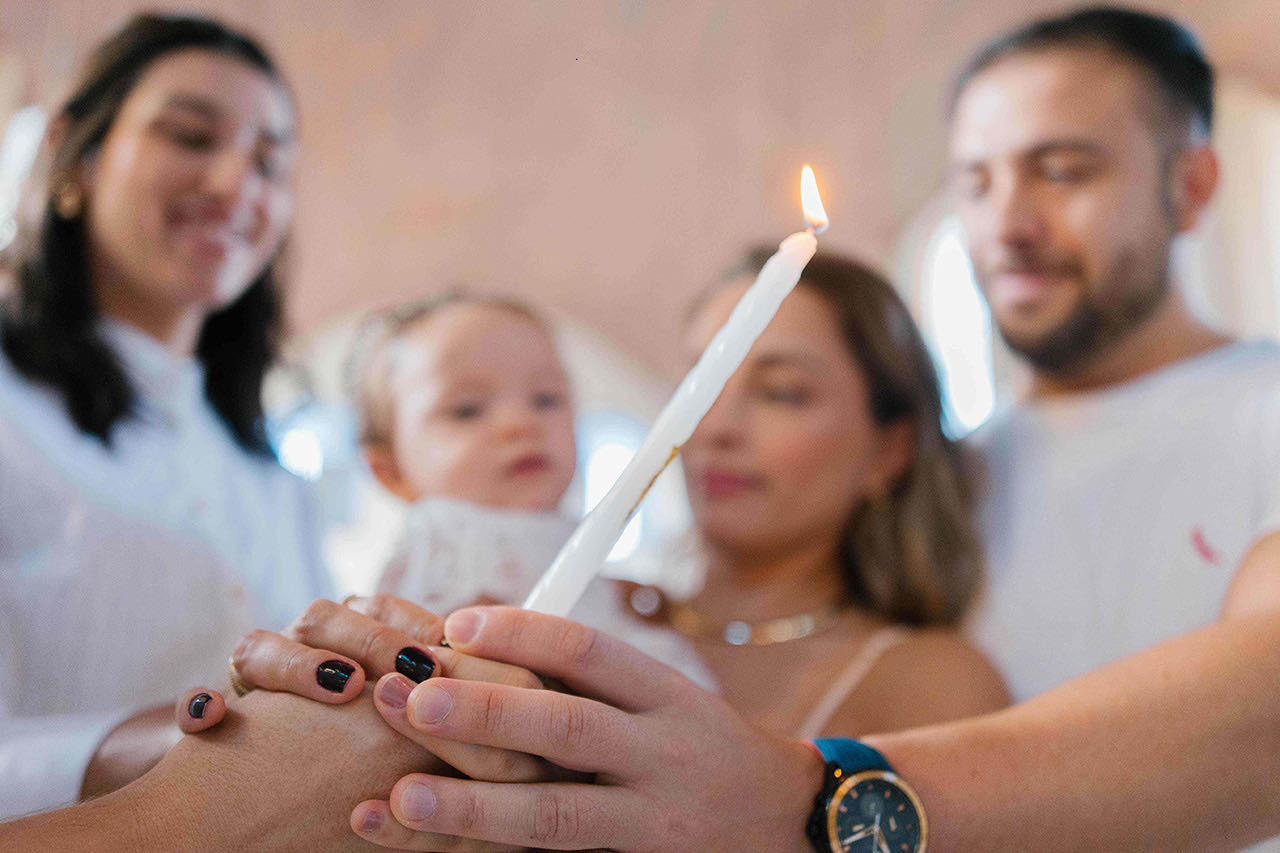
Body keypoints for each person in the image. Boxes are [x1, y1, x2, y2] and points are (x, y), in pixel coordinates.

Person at [325, 7, 1280, 850]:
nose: (1008, 222)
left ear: (1193, 185)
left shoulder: (1259, 406)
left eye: (1063, 169)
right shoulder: (979, 468)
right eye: (975, 183)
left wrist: (811, 797)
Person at [0, 13, 331, 818]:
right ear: (74, 156)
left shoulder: (270, 473)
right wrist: (160, 748)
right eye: (189, 136)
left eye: (269, 163)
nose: (233, 185)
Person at [625, 250, 1006, 736]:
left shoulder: (931, 686)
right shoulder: (609, 626)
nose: (715, 426)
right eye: (702, 383)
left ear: (888, 450)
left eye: (781, 392)